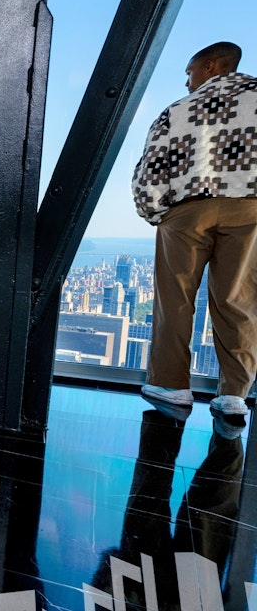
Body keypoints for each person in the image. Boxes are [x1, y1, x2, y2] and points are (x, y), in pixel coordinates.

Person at [133, 41, 257, 417]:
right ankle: (233, 395)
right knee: (239, 301)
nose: (187, 82)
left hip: (187, 211)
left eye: (189, 73)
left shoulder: (179, 110)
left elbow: (150, 169)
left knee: (175, 301)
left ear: (210, 66)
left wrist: (153, 212)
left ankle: (170, 387)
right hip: (250, 207)